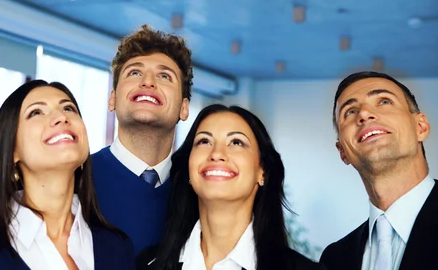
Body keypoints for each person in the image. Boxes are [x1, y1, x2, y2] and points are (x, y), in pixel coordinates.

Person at [0, 80, 134, 270]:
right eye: (36, 112)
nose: (61, 117)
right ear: (12, 149)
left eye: (68, 108)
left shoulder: (117, 247)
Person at [138, 104, 325, 270]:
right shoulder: (148, 264)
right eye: (204, 141)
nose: (217, 154)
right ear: (188, 168)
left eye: (236, 142)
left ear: (262, 171)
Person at [91, 25, 192, 255]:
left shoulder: (197, 192)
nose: (148, 82)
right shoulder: (75, 180)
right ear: (112, 99)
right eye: (134, 73)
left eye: (164, 76)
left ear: (184, 108)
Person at [320, 71, 436, 270]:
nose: (364, 113)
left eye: (384, 101)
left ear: (421, 127)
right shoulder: (334, 259)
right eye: (349, 112)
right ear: (342, 152)